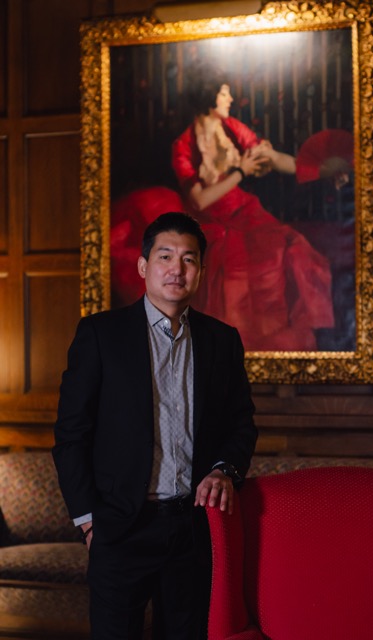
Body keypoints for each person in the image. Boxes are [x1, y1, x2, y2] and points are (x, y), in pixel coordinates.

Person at [53, 212, 257, 640]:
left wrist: (224, 470)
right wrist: (89, 522)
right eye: (165, 256)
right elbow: (71, 435)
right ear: (144, 266)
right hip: (120, 527)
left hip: (192, 529)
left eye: (189, 259)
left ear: (201, 271)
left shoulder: (222, 341)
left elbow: (242, 425)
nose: (176, 269)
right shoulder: (101, 335)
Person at [171, 70, 335, 351]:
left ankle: (278, 340)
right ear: (209, 97)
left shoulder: (232, 128)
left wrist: (319, 170)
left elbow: (273, 158)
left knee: (294, 247)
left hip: (245, 211)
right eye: (224, 93)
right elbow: (199, 201)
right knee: (237, 275)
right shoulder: (184, 145)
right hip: (211, 221)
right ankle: (239, 349)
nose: (230, 99)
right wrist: (240, 172)